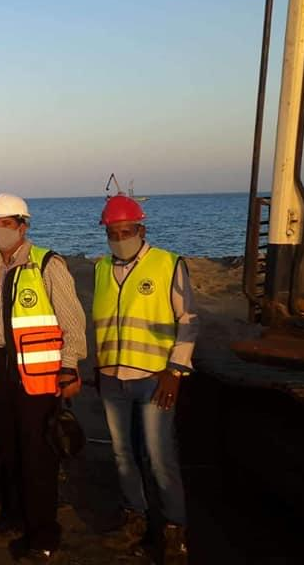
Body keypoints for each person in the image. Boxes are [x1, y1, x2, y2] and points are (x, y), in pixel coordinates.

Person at [0, 194, 87, 562]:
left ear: (23, 225)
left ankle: (43, 535)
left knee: (37, 456)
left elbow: (72, 321)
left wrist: (69, 367)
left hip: (37, 378)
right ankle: (14, 516)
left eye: (6, 223)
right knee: (6, 449)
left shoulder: (46, 264)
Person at [93, 195, 194, 563]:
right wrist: (98, 367)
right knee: (123, 455)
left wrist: (176, 371)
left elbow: (188, 320)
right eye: (113, 233)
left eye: (126, 232)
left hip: (154, 379)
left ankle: (174, 532)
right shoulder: (102, 268)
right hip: (112, 379)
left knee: (159, 457)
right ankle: (134, 520)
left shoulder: (168, 264)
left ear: (141, 229)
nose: (120, 239)